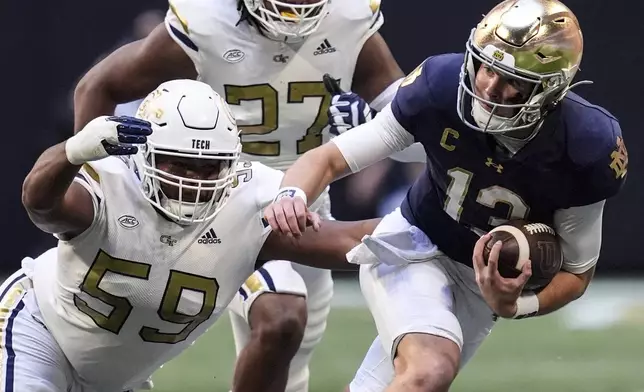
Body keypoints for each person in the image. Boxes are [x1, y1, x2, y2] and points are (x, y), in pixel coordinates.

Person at [263, 0, 628, 391]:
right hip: (415, 244)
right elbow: (331, 158)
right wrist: (291, 192)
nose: (488, 87)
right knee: (428, 372)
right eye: (487, 66)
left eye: (513, 81)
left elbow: (576, 271)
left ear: (551, 89)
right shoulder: (441, 84)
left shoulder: (586, 146)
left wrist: (517, 305)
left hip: (479, 285)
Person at [72, 0, 425, 390]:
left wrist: (375, 125)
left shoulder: (349, 17)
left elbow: (410, 120)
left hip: (305, 206)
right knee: (282, 315)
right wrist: (101, 181)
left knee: (291, 364)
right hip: (221, 204)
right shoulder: (206, 24)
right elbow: (99, 85)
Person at [11, 79, 378, 392]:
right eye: (179, 163)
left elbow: (349, 243)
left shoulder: (248, 201)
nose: (193, 180)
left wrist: (422, 224)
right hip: (39, 335)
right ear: (145, 155)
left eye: (208, 168)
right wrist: (72, 151)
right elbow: (39, 204)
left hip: (115, 381)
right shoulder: (112, 181)